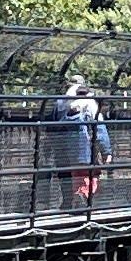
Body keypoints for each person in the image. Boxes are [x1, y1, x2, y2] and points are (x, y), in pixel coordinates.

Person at [49, 73, 113, 206]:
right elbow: (99, 128)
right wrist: (106, 151)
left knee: (67, 175)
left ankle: (68, 202)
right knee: (90, 173)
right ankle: (83, 199)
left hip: (62, 149)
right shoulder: (89, 102)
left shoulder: (60, 102)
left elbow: (51, 127)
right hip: (85, 149)